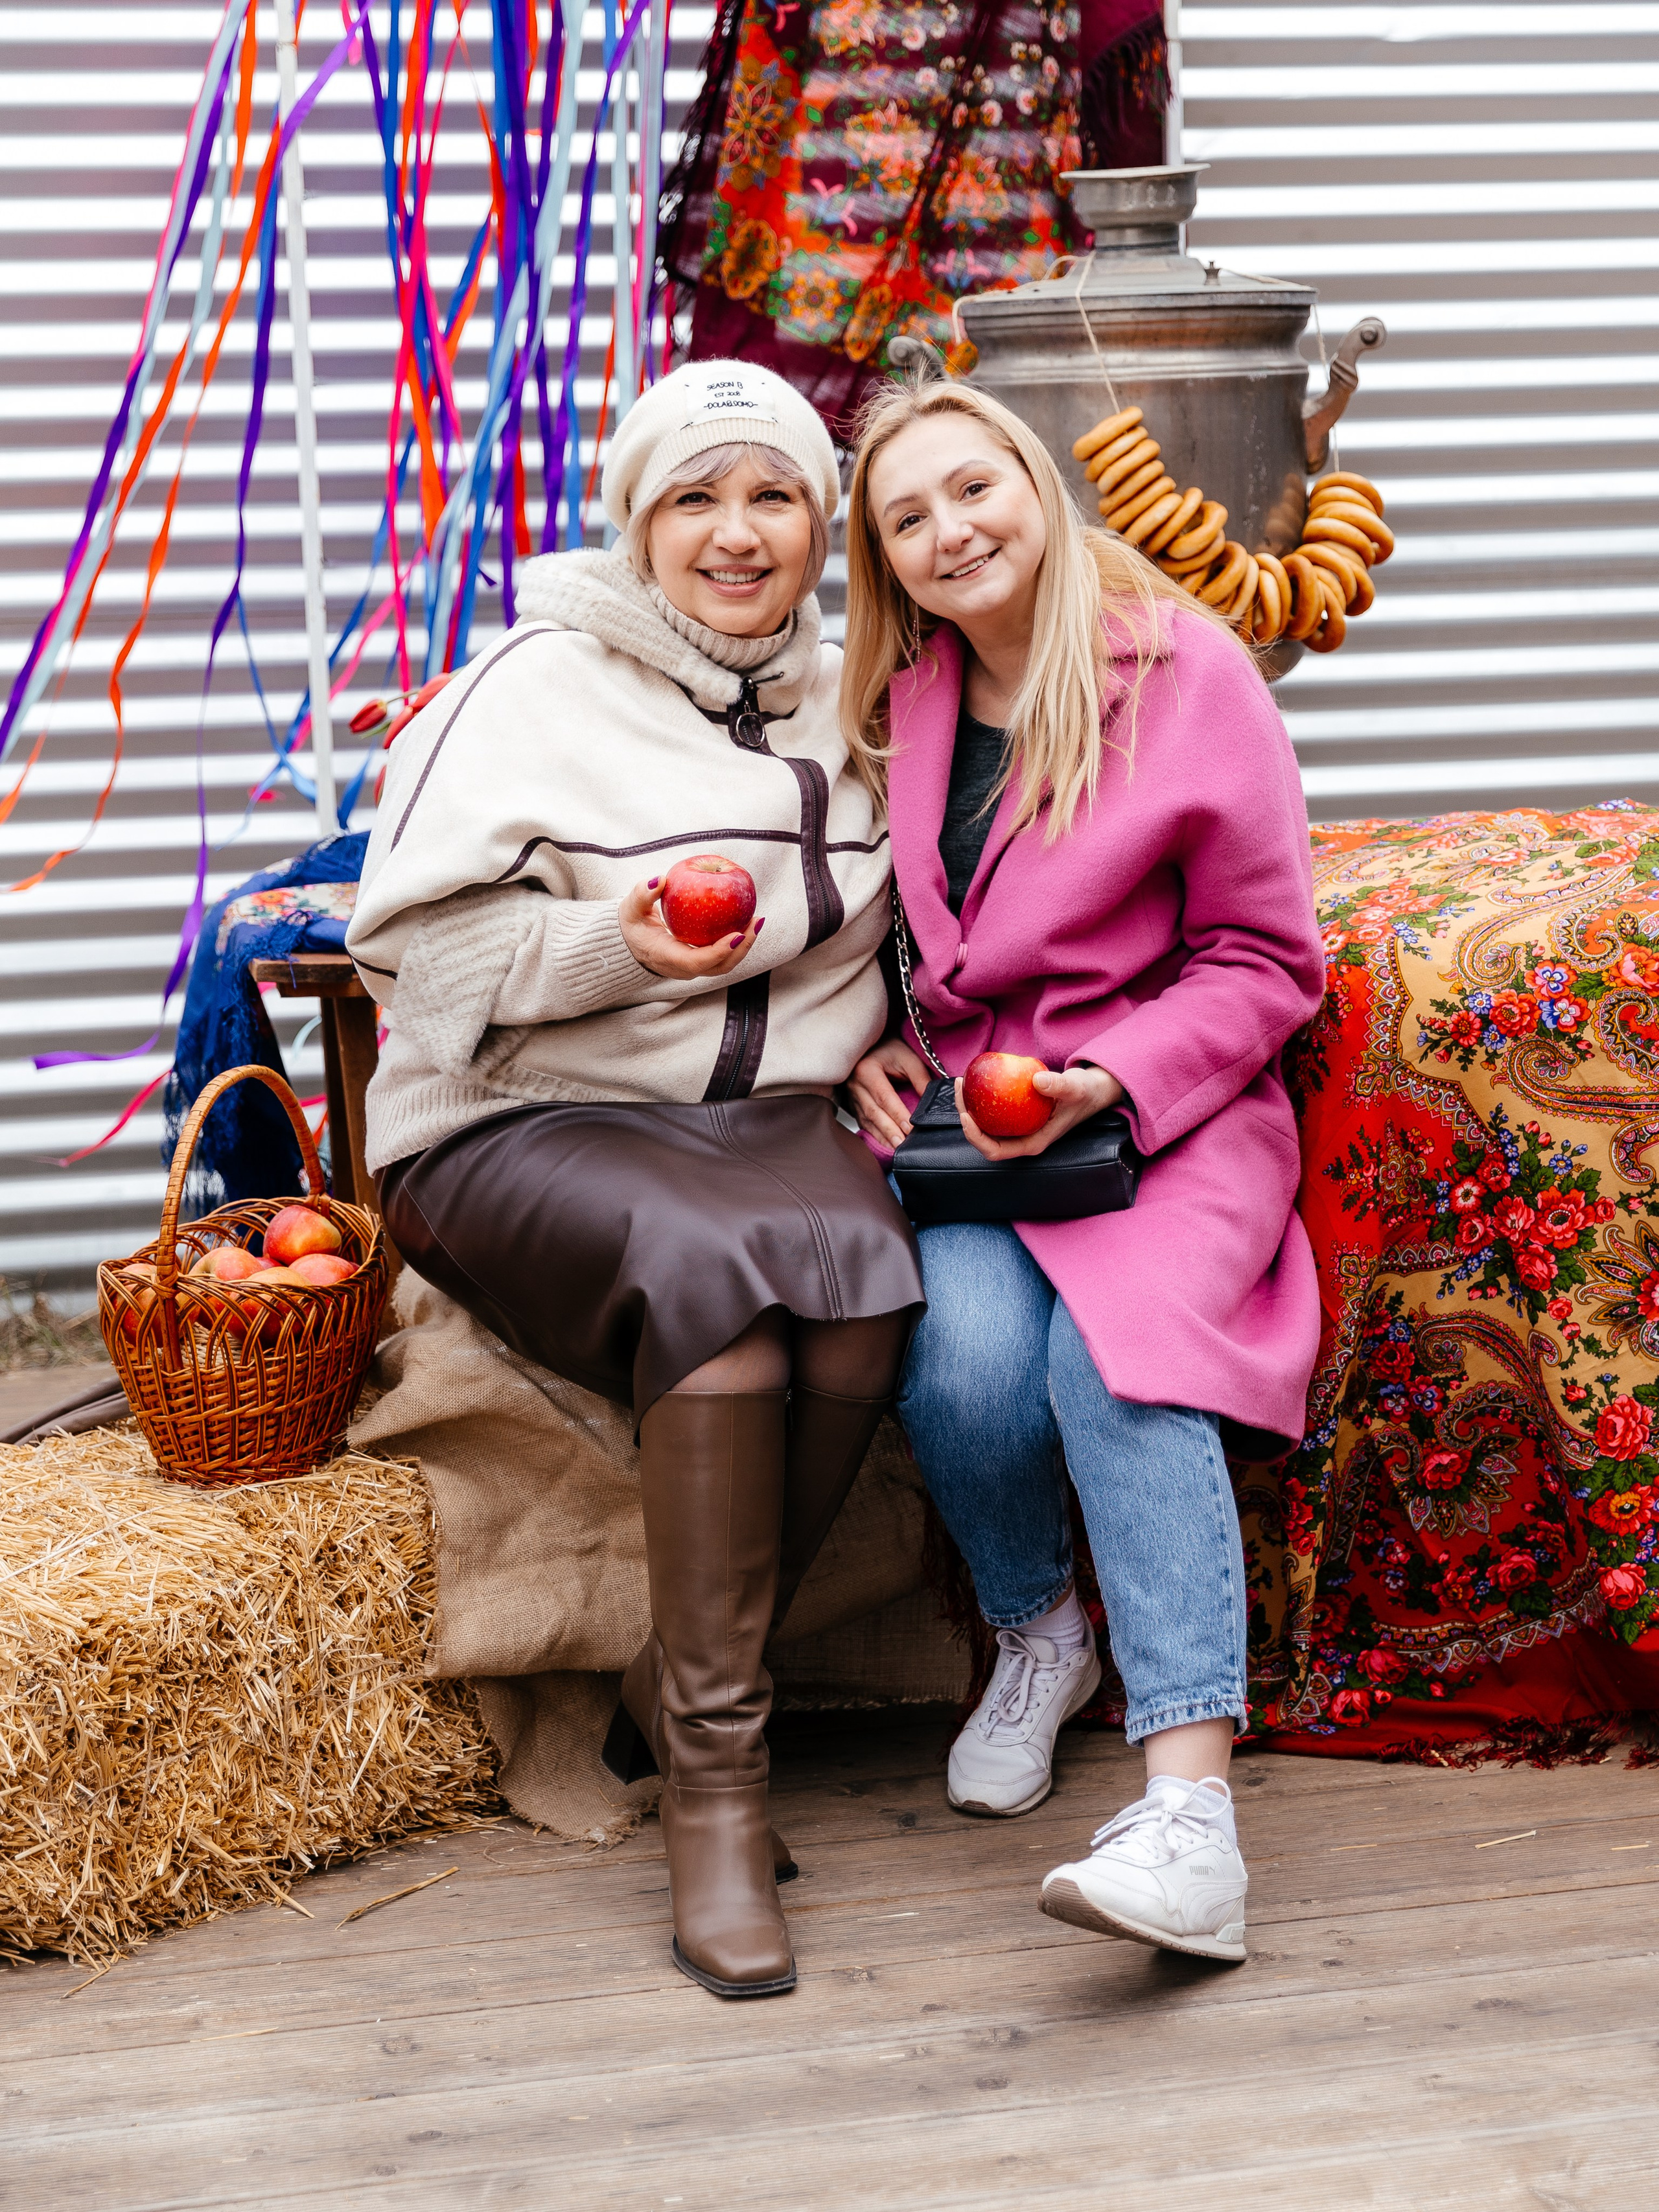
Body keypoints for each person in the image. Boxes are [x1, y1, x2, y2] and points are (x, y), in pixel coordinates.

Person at [347, 360, 923, 2001]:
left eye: (773, 496)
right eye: (695, 498)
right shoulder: (525, 689)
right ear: (636, 522)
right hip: (520, 1117)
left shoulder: (864, 697)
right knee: (724, 1315)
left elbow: (948, 908)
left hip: (770, 1127)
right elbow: (408, 970)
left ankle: (678, 1682)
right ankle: (720, 1794)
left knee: (870, 1296)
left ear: (821, 524)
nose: (736, 534)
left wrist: (902, 1034)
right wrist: (617, 945)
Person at [842, 378, 1325, 1964]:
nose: (948, 530)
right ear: (884, 561)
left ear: (1038, 488)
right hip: (979, 1127)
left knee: (1111, 1366)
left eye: (972, 488)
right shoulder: (903, 702)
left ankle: (1189, 1821)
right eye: (905, 517)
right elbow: (884, 927)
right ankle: (1037, 1632)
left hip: (1162, 1114)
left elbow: (1265, 959)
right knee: (964, 1369)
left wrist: (1107, 1077)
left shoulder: (1184, 671)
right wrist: (870, 1042)